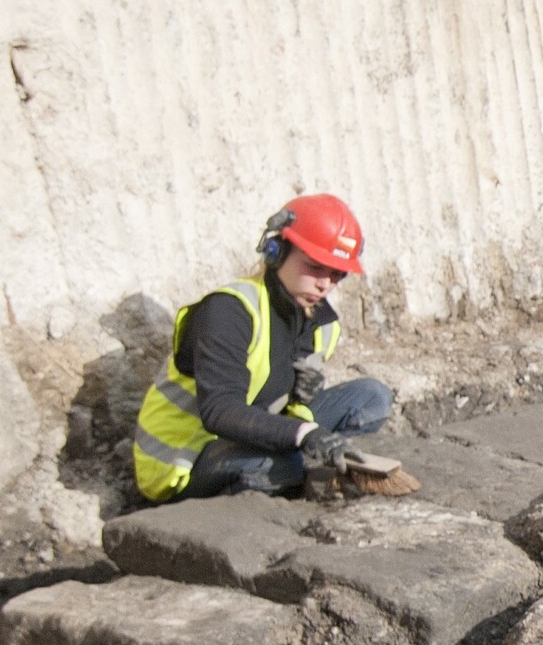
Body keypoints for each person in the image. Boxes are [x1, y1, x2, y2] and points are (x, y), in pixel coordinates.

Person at [132, 195, 394, 502]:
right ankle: (255, 496)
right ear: (276, 251)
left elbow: (271, 389)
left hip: (254, 432)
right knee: (284, 462)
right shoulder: (229, 312)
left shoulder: (321, 323)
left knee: (372, 397)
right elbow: (220, 411)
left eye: (336, 274)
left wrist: (299, 394)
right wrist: (303, 435)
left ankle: (301, 473)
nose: (325, 284)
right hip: (187, 460)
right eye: (316, 267)